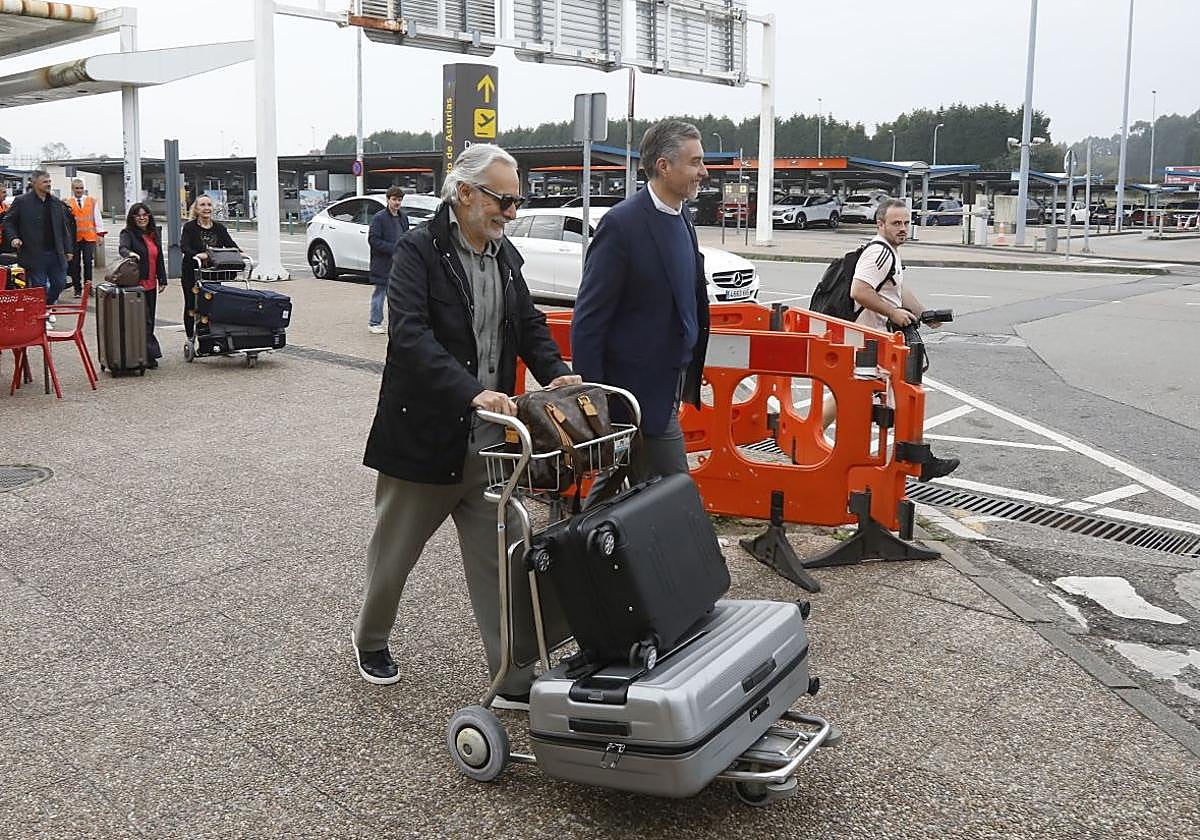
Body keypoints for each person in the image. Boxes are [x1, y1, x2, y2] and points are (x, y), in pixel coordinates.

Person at [354, 143, 580, 700]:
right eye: (503, 199)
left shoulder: (505, 257)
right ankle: (372, 636)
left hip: (489, 444)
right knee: (395, 555)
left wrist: (557, 372)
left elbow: (526, 324)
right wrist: (474, 392)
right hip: (424, 438)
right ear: (465, 194)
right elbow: (408, 336)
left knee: (504, 557)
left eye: (517, 201)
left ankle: (511, 672)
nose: (511, 211)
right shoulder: (419, 250)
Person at [570, 119, 711, 484]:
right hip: (631, 393)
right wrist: (596, 402)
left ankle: (584, 538)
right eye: (695, 162)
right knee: (674, 489)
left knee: (621, 483)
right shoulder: (623, 224)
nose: (704, 172)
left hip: (668, 383)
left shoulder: (684, 219)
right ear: (664, 166)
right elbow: (589, 320)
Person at [823, 198, 959, 481]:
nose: (903, 229)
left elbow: (897, 289)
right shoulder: (879, 254)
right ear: (880, 224)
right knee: (902, 399)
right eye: (896, 223)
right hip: (870, 343)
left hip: (872, 342)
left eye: (906, 223)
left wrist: (923, 313)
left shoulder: (890, 254)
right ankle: (920, 463)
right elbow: (859, 291)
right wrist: (893, 313)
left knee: (848, 398)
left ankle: (805, 439)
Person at [2, 170, 74, 307]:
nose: (48, 184)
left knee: (60, 283)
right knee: (40, 286)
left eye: (49, 182)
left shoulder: (55, 202)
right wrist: (14, 238)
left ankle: (47, 306)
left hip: (55, 253)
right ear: (34, 183)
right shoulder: (22, 202)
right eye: (45, 182)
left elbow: (63, 228)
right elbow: (8, 222)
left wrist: (68, 249)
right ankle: (41, 312)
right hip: (33, 254)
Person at [179, 195, 239, 341]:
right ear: (197, 209)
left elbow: (230, 245)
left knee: (213, 303)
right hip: (192, 272)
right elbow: (185, 247)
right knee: (192, 304)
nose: (206, 208)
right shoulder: (189, 227)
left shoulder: (219, 228)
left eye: (209, 205)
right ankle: (190, 337)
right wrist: (200, 255)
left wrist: (239, 253)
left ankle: (214, 336)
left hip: (212, 273)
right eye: (202, 205)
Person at [118, 203, 167, 368]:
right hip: (136, 285)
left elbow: (158, 258)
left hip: (151, 284)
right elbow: (123, 248)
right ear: (132, 218)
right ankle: (147, 355)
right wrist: (130, 253)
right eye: (137, 215)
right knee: (141, 321)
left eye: (145, 214)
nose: (142, 218)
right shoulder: (128, 233)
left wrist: (163, 279)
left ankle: (146, 354)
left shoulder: (153, 234)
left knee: (149, 320)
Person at [366, 186, 410, 334]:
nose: (397, 202)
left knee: (398, 295)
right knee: (380, 292)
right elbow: (373, 240)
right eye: (394, 199)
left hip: (399, 263)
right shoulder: (379, 218)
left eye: (399, 199)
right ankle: (374, 322)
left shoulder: (403, 217)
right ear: (388, 199)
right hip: (383, 263)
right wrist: (393, 248)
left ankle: (396, 322)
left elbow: (406, 236)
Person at [66, 179, 107, 298]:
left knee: (88, 262)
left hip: (89, 237)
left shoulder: (91, 201)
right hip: (75, 239)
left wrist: (100, 235)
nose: (79, 190)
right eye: (77, 188)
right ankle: (77, 288)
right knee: (75, 264)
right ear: (73, 189)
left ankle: (88, 287)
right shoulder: (68, 203)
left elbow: (97, 218)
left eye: (81, 188)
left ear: (84, 189)